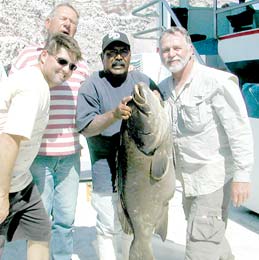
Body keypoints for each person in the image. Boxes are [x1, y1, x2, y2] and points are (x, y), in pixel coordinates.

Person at [158, 26, 254, 260]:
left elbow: (239, 132)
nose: (171, 53)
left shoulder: (216, 82)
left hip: (213, 179)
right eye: (166, 50)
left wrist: (242, 176)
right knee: (212, 237)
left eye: (177, 47)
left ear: (190, 49)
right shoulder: (164, 89)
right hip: (188, 181)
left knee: (199, 246)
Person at [9, 3, 89, 259]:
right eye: (63, 18)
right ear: (48, 23)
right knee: (39, 220)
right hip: (38, 156)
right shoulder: (28, 56)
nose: (68, 24)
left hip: (70, 156)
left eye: (73, 21)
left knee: (65, 220)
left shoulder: (81, 65)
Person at [76, 31, 159, 260]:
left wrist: (157, 100)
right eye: (111, 53)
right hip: (105, 172)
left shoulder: (142, 81)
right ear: (102, 57)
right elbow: (86, 127)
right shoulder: (91, 86)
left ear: (130, 55)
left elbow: (161, 108)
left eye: (123, 51)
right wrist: (113, 115)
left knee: (131, 227)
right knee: (106, 228)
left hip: (138, 175)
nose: (118, 57)